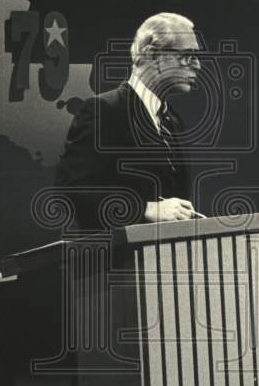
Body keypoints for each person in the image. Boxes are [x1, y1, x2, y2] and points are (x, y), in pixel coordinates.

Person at [55, 12, 203, 231]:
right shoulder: (103, 110)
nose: (197, 65)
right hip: (117, 261)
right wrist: (144, 209)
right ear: (153, 56)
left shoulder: (172, 120)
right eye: (188, 55)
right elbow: (73, 191)